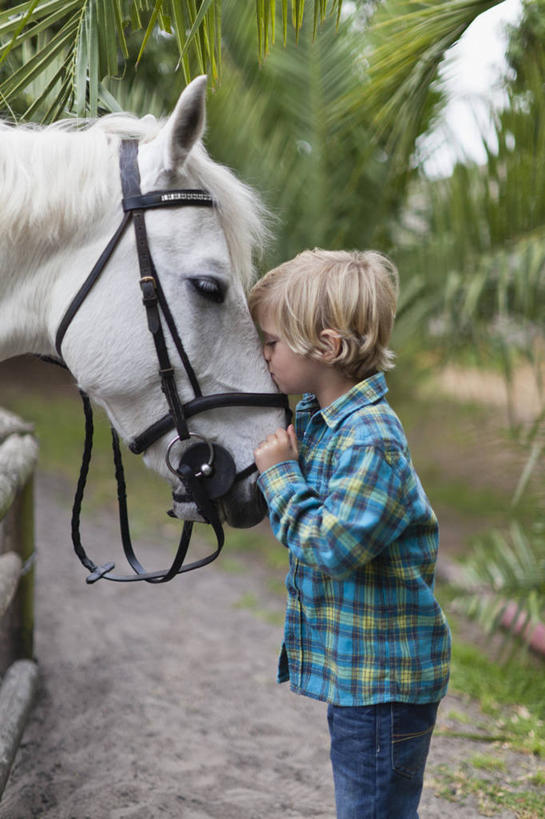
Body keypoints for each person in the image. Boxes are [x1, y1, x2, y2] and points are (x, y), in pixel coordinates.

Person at [248, 249, 451, 819]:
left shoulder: (371, 440)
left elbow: (332, 546)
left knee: (372, 811)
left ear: (328, 347)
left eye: (270, 343)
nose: (262, 356)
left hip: (384, 685)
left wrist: (280, 476)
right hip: (360, 675)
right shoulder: (321, 420)